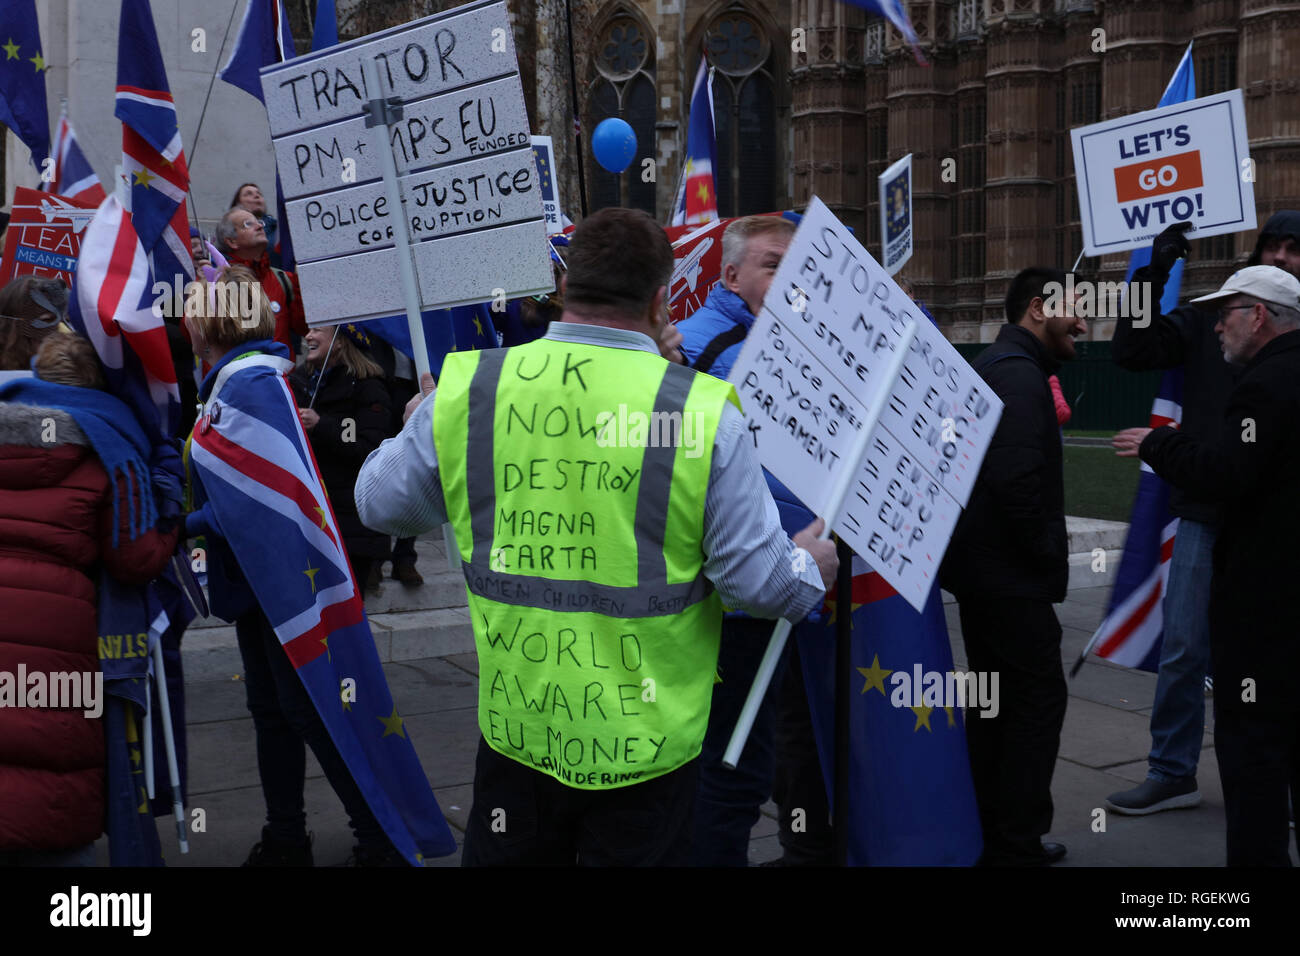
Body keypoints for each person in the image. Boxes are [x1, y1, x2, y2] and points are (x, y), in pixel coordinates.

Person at [354, 207, 838, 866]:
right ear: (662, 299)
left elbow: (378, 505)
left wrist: (420, 423)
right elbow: (765, 586)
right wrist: (810, 563)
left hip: (517, 742)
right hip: (648, 754)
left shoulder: (474, 388)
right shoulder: (698, 412)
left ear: (563, 282)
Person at [182, 266, 402, 866]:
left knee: (306, 707)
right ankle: (286, 835)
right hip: (259, 579)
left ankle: (374, 836)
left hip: (283, 579)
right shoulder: (235, 380)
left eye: (192, 307)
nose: (184, 318)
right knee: (272, 710)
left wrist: (182, 525)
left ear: (212, 320)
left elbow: (250, 502)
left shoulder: (249, 383)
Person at [1105, 211, 1300, 817]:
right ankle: (1172, 768)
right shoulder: (1216, 319)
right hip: (1208, 508)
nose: (1282, 256)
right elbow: (1133, 348)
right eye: (1273, 245)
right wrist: (1153, 270)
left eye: (1294, 249)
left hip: (1277, 523)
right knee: (1185, 643)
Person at [673, 214, 831, 866]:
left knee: (767, 747)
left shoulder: (788, 337)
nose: (789, 276)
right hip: (731, 597)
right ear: (730, 275)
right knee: (729, 771)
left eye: (797, 265)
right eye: (773, 264)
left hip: (785, 581)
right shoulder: (693, 349)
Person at [0, 331, 178, 865]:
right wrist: (173, 515)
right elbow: (134, 558)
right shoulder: (111, 451)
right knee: (47, 756)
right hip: (60, 631)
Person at [940, 266, 1087, 866]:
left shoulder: (997, 368)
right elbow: (1017, 483)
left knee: (994, 707)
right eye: (1074, 309)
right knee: (1032, 706)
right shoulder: (1021, 380)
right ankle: (1016, 843)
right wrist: (1050, 554)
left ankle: (993, 833)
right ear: (1036, 308)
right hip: (1011, 583)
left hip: (983, 578)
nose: (1083, 321)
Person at [288, 324, 393, 595]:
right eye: (307, 330)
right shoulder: (298, 382)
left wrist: (322, 425)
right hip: (310, 518)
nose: (308, 336)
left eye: (317, 331)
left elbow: (368, 445)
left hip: (350, 524)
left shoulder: (368, 386)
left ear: (339, 342)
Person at [214, 207, 305, 353]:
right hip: (239, 373)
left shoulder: (283, 279)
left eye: (259, 222)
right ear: (232, 241)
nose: (260, 226)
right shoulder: (215, 284)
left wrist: (300, 286)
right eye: (248, 224)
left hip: (280, 374)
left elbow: (303, 329)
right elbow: (197, 335)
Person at [231, 182, 281, 268]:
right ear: (237, 204)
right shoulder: (230, 233)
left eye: (259, 194)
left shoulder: (279, 229)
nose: (257, 196)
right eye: (249, 194)